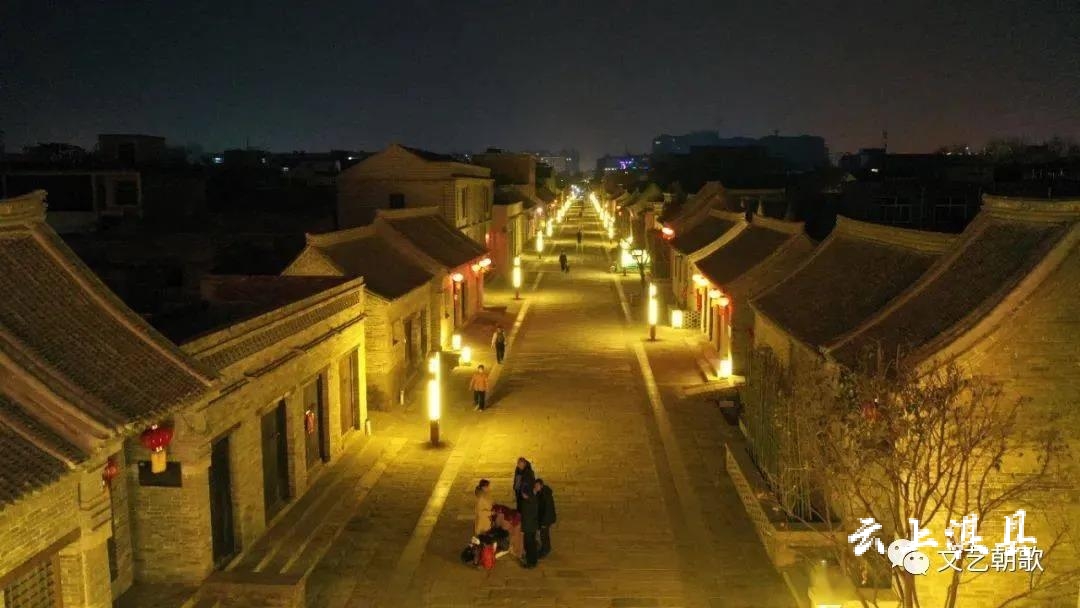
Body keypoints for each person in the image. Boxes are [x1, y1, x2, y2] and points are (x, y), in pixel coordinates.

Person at [534, 479, 556, 558]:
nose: (536, 487)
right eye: (535, 486)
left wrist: (544, 523)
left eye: (537, 486)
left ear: (541, 485)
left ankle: (545, 550)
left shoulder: (545, 496)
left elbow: (547, 510)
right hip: (544, 519)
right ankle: (546, 548)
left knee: (544, 535)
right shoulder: (541, 493)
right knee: (544, 534)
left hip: (546, 520)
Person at [519, 486, 540, 568]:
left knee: (528, 545)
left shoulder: (526, 503)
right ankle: (534, 561)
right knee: (532, 544)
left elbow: (525, 517)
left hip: (528, 527)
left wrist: (522, 528)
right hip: (533, 526)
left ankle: (530, 563)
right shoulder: (533, 499)